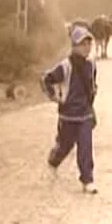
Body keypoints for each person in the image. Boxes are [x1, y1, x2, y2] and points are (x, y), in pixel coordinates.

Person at [41, 25, 98, 194]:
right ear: (74, 46)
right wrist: (54, 96)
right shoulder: (65, 66)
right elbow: (46, 79)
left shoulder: (92, 65)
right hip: (67, 116)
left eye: (89, 43)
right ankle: (53, 162)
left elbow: (92, 87)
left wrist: (91, 107)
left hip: (85, 114)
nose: (87, 47)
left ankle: (87, 180)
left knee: (86, 146)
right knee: (64, 146)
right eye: (82, 44)